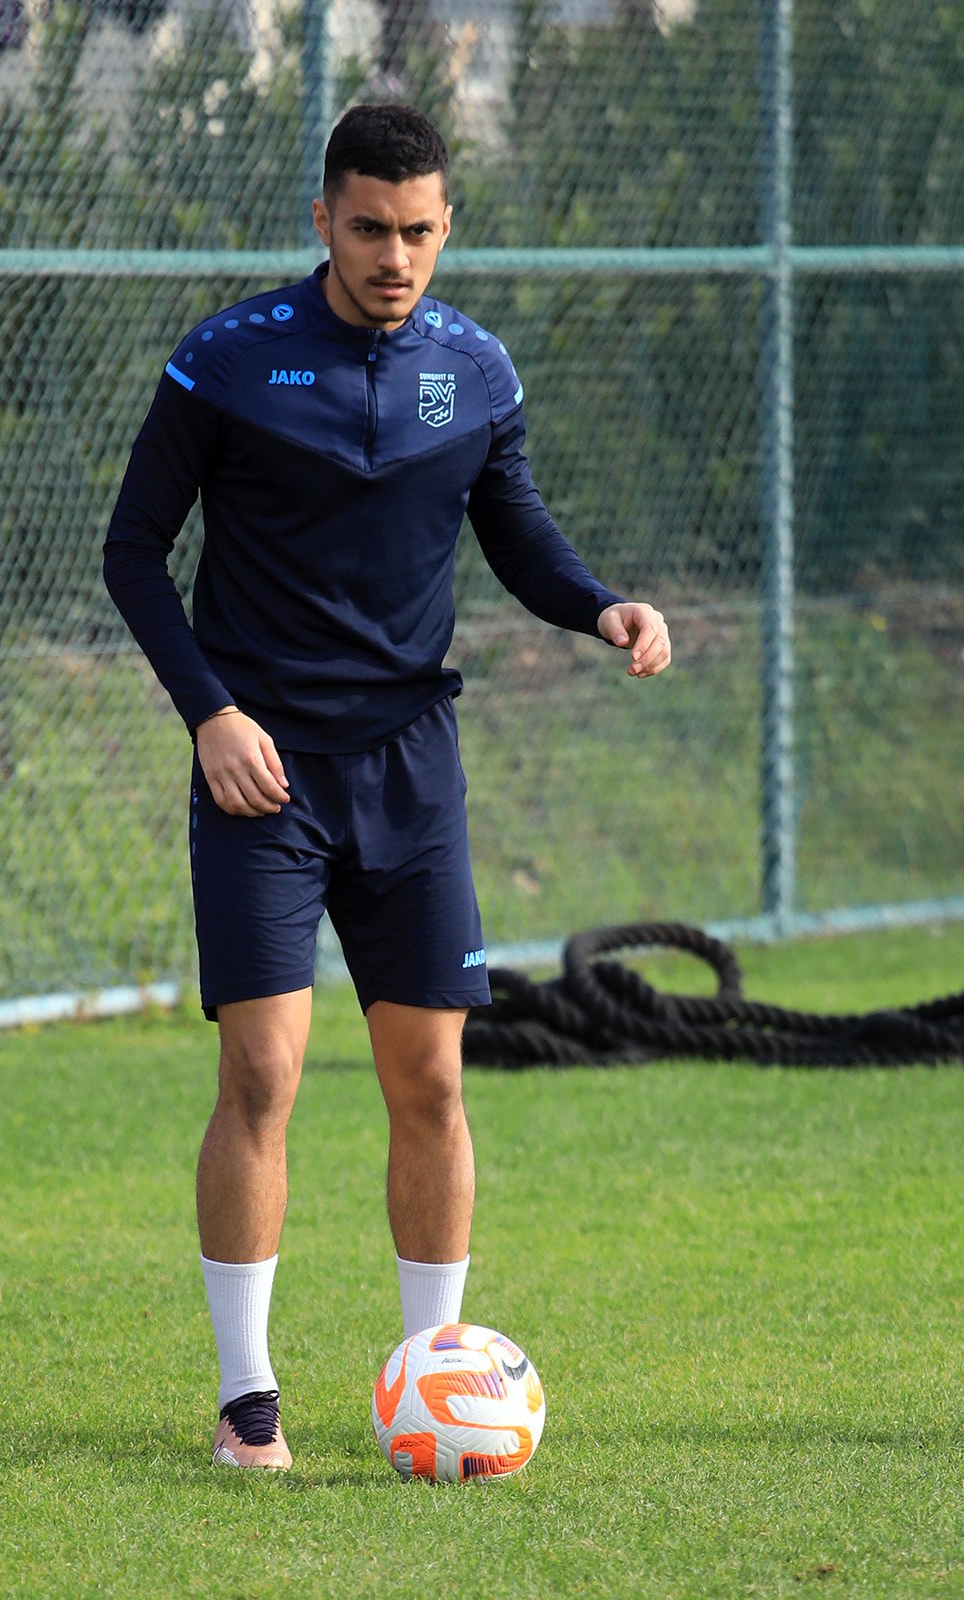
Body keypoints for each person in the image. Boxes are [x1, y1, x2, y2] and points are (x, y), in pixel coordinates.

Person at [104, 103, 671, 1470]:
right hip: (262, 772)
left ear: (446, 226)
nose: (394, 257)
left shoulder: (473, 370)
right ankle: (247, 1396)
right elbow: (132, 552)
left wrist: (599, 605)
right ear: (324, 221)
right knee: (262, 1072)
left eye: (418, 231)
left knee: (431, 1081)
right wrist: (210, 714)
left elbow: (516, 531)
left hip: (411, 770)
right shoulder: (228, 360)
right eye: (368, 228)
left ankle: (436, 1372)